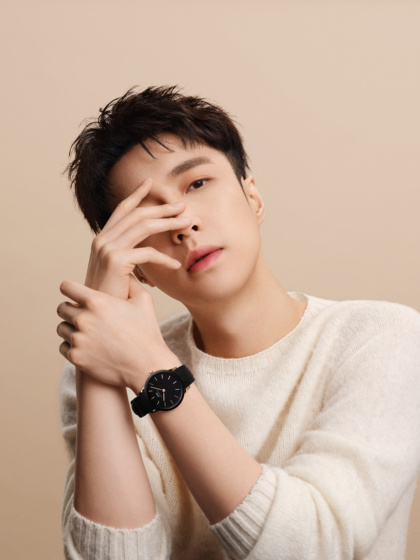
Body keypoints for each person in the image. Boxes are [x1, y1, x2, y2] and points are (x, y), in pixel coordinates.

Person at [57, 86, 420, 560]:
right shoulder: (107, 366)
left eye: (197, 184)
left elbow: (314, 545)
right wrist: (100, 339)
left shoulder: (381, 337)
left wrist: (151, 369)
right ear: (136, 266)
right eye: (147, 215)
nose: (182, 223)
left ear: (253, 197)